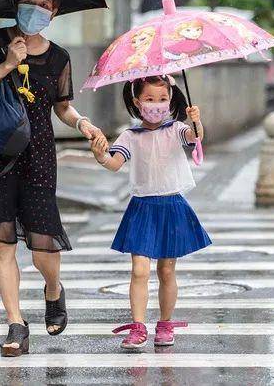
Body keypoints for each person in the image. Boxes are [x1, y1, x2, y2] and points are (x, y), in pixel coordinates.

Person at [0, 0, 108, 356]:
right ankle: (15, 324)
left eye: (44, 4)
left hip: (39, 153)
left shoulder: (59, 56)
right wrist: (7, 64)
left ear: (55, 12)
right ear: (16, 4)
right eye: (29, 1)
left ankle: (53, 289)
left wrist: (82, 122)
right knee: (3, 241)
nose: (36, 9)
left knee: (43, 242)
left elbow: (62, 106)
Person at [90, 75, 211, 349]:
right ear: (137, 102)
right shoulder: (130, 136)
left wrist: (197, 120)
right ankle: (138, 327)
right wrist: (100, 156)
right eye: (149, 99)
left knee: (167, 271)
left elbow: (195, 137)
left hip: (171, 206)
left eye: (162, 99)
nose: (157, 105)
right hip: (142, 208)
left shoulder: (177, 128)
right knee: (139, 271)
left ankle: (165, 324)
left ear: (170, 100)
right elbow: (114, 162)